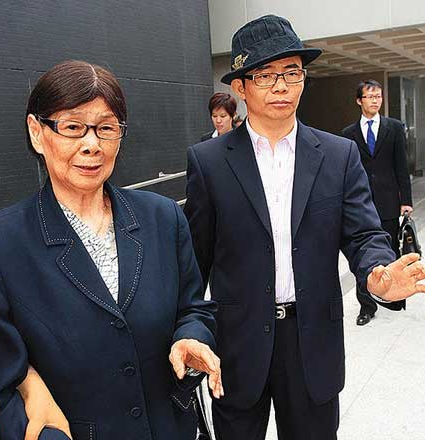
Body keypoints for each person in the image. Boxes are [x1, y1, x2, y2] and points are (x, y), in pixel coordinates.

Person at [184, 15, 425, 440]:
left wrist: (377, 273)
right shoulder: (209, 162)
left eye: (292, 72)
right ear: (240, 87)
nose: (281, 86)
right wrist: (188, 331)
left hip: (313, 339)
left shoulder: (338, 155)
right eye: (265, 75)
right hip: (238, 344)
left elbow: (364, 234)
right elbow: (194, 262)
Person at [0, 60, 223, 440]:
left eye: (106, 128)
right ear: (37, 133)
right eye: (73, 127)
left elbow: (193, 308)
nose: (91, 145)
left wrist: (192, 337)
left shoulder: (162, 218)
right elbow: (2, 374)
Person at [342, 79, 413, 326]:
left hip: (388, 200)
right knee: (362, 255)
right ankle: (366, 306)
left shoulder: (394, 128)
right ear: (359, 100)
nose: (375, 101)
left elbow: (402, 166)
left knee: (390, 251)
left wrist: (406, 200)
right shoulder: (348, 134)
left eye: (378, 96)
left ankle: (393, 296)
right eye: (370, 96)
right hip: (360, 204)